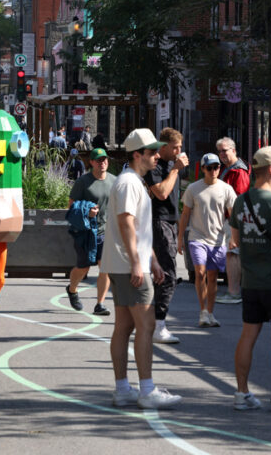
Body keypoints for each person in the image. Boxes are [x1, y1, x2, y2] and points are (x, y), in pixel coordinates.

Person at [101, 128, 181, 409]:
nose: (158, 156)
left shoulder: (132, 181)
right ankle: (146, 390)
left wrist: (152, 260)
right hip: (128, 264)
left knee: (124, 326)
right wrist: (138, 262)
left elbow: (137, 227)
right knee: (146, 325)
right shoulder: (128, 183)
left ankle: (124, 388)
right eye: (152, 152)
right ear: (138, 155)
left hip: (126, 263)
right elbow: (126, 223)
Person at [229, 145, 271, 413]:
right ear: (270, 169)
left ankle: (241, 392)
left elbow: (235, 239)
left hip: (251, 282)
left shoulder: (240, 201)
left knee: (248, 335)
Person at [178, 153, 236, 328]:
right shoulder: (193, 189)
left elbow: (233, 215)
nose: (213, 171)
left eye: (216, 167)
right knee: (200, 273)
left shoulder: (226, 189)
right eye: (209, 168)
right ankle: (203, 311)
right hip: (197, 238)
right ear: (202, 169)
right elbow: (185, 214)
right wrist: (180, 238)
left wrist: (234, 237)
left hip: (218, 239)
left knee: (212, 277)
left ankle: (210, 313)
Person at [144, 127, 189, 344]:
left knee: (163, 273)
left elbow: (174, 200)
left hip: (168, 221)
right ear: (163, 147)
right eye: (175, 147)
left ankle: (154, 323)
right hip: (158, 221)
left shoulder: (171, 166)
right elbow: (161, 193)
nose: (179, 151)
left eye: (180, 147)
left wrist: (179, 231)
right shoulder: (156, 166)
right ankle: (159, 325)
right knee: (168, 273)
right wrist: (175, 171)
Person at [66, 148, 116, 316]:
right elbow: (71, 206)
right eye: (98, 160)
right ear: (92, 162)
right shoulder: (83, 182)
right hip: (87, 232)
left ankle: (100, 304)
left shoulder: (114, 181)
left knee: (105, 267)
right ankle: (72, 290)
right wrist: (87, 212)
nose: (102, 162)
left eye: (105, 159)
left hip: (107, 232)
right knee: (83, 267)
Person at [216, 136, 250, 305]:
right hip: (230, 220)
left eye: (225, 150)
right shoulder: (230, 169)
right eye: (220, 151)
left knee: (233, 255)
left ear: (234, 151)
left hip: (234, 220)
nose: (222, 154)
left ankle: (234, 292)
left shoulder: (238, 172)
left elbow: (238, 200)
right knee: (232, 255)